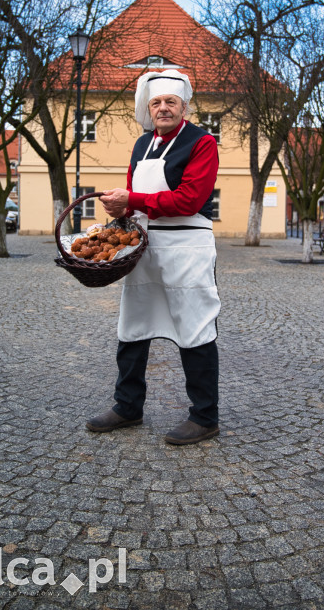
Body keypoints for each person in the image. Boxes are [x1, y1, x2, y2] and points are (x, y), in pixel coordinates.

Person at [86, 69, 221, 445]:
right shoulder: (141, 144)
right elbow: (134, 195)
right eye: (157, 102)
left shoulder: (202, 143)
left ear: (184, 107)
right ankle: (127, 406)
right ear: (149, 107)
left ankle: (205, 416)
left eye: (171, 102)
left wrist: (133, 200)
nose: (163, 108)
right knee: (133, 326)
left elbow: (189, 200)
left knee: (195, 327)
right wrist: (119, 211)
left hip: (186, 248)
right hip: (143, 245)